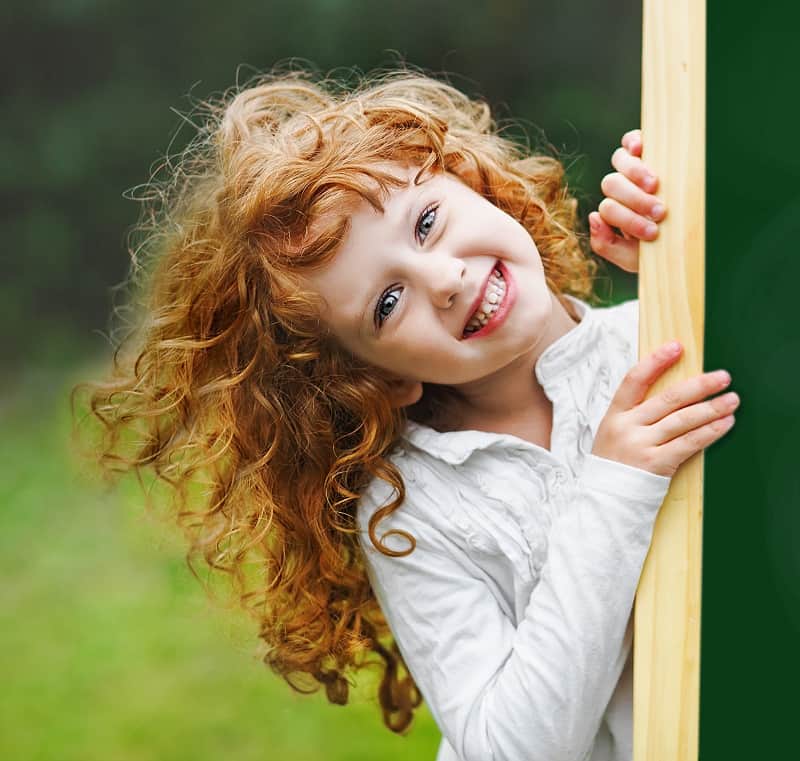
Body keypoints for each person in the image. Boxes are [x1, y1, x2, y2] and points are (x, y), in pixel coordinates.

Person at [82, 69, 737, 761]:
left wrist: (702, 271)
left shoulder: (664, 342)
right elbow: (509, 749)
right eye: (388, 303)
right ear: (379, 376)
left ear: (473, 182)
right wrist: (614, 485)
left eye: (427, 223)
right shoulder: (409, 511)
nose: (445, 280)